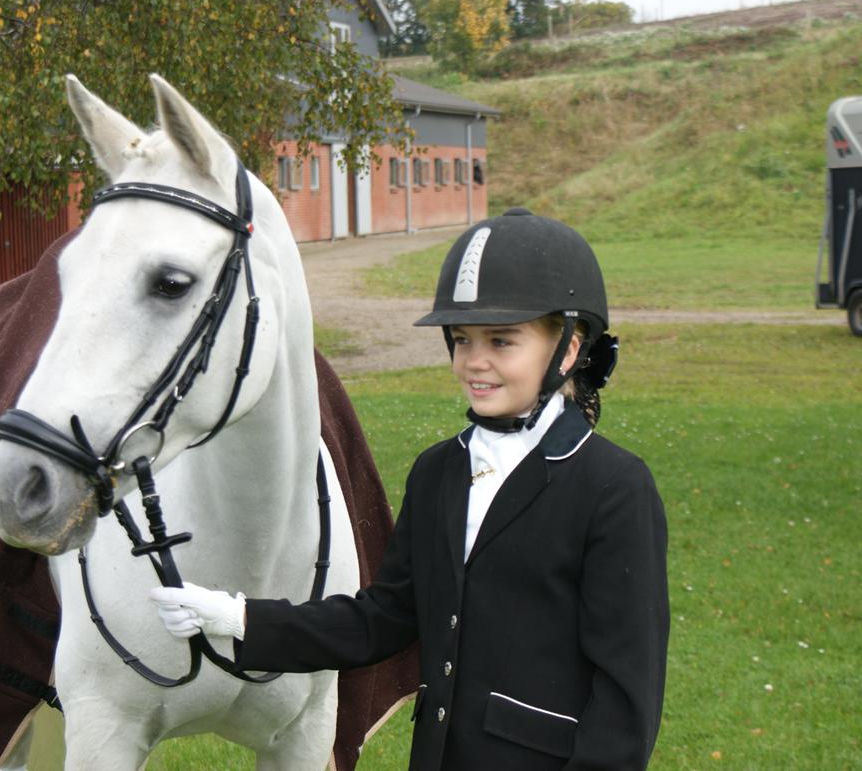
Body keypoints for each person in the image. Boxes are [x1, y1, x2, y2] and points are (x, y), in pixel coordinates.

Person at [151, 208, 670, 770]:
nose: (475, 362)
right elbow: (383, 619)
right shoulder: (440, 469)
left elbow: (625, 698)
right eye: (462, 339)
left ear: (569, 348)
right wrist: (239, 619)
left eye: (502, 341)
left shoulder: (614, 486)